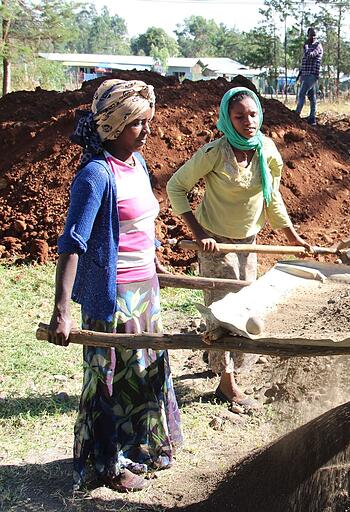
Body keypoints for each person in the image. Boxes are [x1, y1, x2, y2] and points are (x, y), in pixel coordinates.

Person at [47, 79, 183, 492]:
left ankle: (139, 447)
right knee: (108, 377)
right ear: (112, 126)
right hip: (113, 295)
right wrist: (62, 311)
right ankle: (108, 462)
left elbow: (141, 224)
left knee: (144, 371)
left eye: (147, 121)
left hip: (145, 289)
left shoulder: (136, 164)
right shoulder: (95, 175)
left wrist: (155, 261)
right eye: (138, 124)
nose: (147, 131)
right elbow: (73, 244)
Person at [166, 86, 311, 408]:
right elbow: (176, 186)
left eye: (253, 114)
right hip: (215, 242)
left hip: (249, 241)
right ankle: (226, 382)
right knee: (221, 309)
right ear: (227, 120)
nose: (248, 122)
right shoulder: (214, 153)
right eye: (239, 116)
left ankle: (222, 361)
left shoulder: (267, 151)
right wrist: (199, 232)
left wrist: (292, 237)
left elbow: (272, 199)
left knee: (245, 303)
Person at [295, 27, 323, 125]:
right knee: (312, 97)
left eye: (314, 35)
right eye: (311, 35)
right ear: (308, 35)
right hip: (305, 74)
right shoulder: (308, 46)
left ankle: (296, 114)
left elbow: (310, 55)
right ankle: (312, 118)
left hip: (312, 75)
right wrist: (299, 74)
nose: (313, 37)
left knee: (302, 93)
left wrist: (306, 46)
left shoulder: (318, 46)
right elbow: (305, 62)